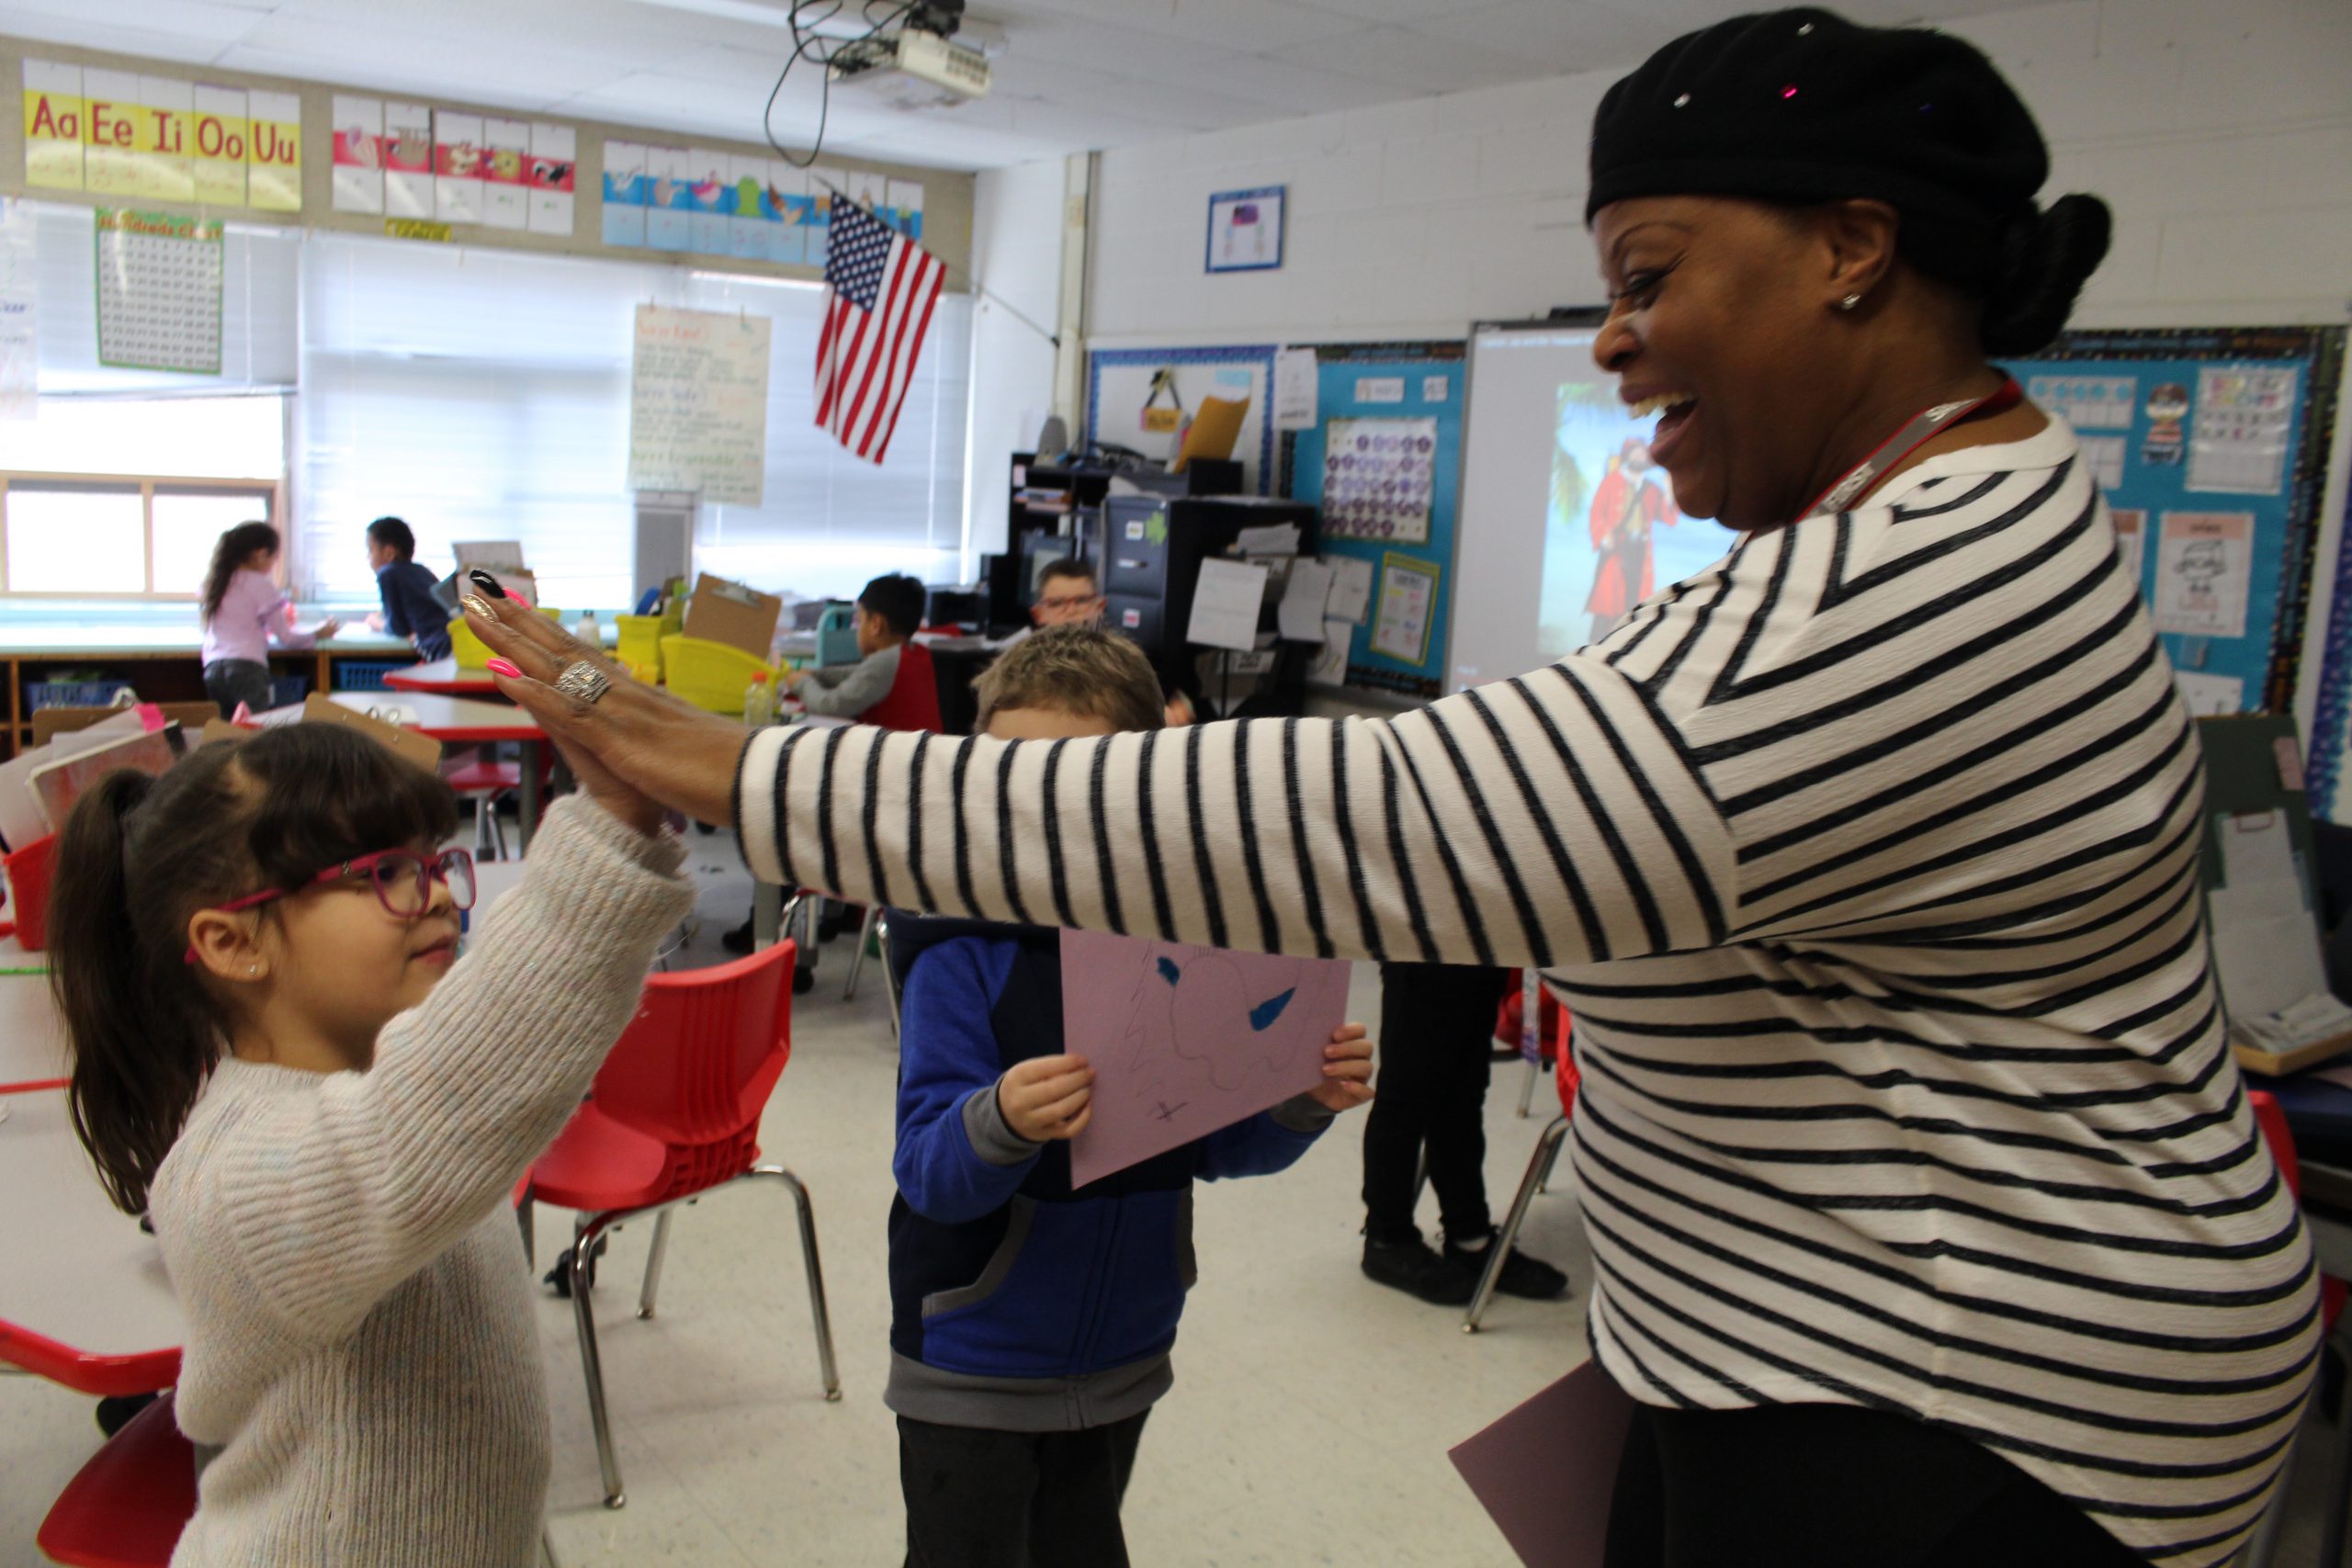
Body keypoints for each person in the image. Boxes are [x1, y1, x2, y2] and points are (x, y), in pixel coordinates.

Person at [461, 10, 2313, 1562]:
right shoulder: (1912, 528)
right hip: (1843, 1342)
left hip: (1966, 1397)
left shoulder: (1914, 580)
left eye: (1646, 281)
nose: (1607, 339)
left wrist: (755, 771)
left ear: (1851, 247)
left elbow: (1393, 818)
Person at [49, 722, 690, 1566]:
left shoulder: (384, 1086)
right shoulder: (233, 1176)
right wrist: (610, 822)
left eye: (429, 860)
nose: (431, 893)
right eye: (379, 872)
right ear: (232, 942)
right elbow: (432, 1114)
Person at [884, 626, 1374, 1568]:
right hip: (974, 1358)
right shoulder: (958, 951)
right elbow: (928, 1174)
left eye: (1077, 781)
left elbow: (1218, 1146)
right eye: (1014, 782)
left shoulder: (1189, 938)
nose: (1043, 811)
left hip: (1126, 1354)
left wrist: (1297, 1100)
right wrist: (1000, 1122)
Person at [1359, 964, 1567, 1305]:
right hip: (1421, 938)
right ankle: (1387, 1239)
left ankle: (1470, 1237)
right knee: (1405, 1093)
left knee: (1463, 1093)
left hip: (1479, 940)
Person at [198, 522, 339, 718]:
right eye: (273, 558)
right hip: (247, 668)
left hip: (213, 668)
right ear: (260, 554)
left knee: (226, 731)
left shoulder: (214, 582)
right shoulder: (260, 584)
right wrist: (319, 633)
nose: (273, 565)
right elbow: (287, 639)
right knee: (255, 728)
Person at [792, 572, 927, 720]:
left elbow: (830, 706)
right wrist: (816, 674)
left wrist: (801, 683)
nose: (857, 628)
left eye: (859, 621)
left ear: (876, 625)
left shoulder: (885, 662)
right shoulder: (914, 653)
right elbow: (856, 673)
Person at [363, 515, 453, 661]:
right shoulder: (422, 570)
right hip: (453, 639)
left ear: (388, 553)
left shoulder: (387, 573)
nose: (368, 557)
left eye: (370, 550)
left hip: (438, 646)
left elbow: (398, 628)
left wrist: (375, 622)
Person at [994, 557, 1106, 649]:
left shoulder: (1118, 662)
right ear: (1038, 614)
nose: (1071, 611)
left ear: (1100, 607)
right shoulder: (1019, 667)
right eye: (1057, 603)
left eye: (1082, 600)